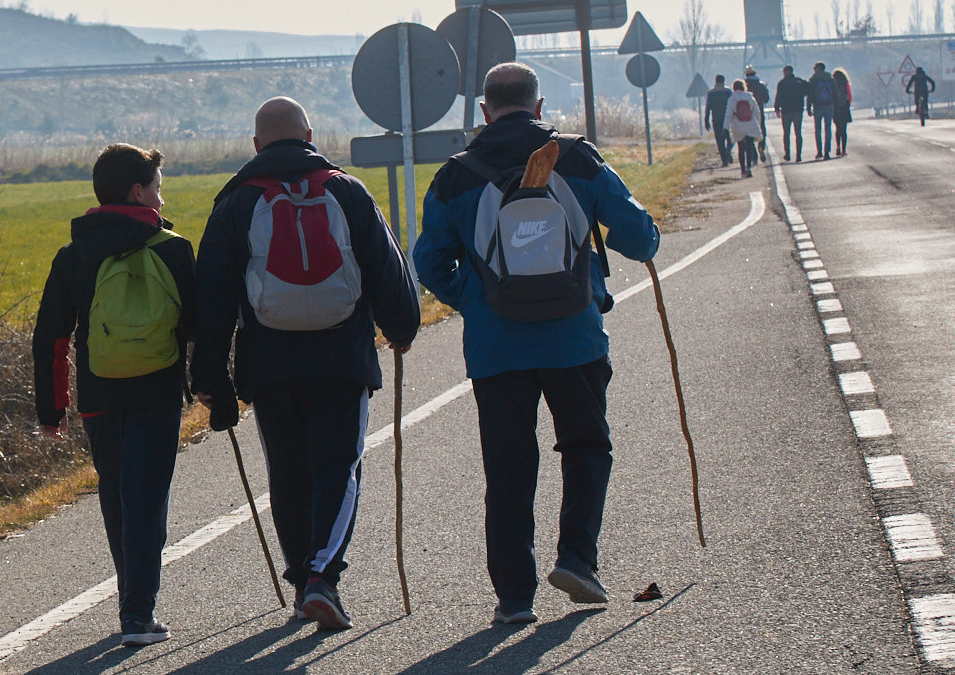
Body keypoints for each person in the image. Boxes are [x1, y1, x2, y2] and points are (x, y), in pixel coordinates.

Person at [413, 62, 660, 624]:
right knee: (587, 447)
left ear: (484, 111)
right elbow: (638, 239)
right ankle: (576, 558)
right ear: (540, 106)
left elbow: (429, 261)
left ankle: (514, 598)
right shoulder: (576, 158)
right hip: (575, 339)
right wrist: (644, 236)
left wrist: (476, 300)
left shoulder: (457, 175)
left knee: (507, 467)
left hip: (497, 349)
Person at [190, 96, 419, 631]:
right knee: (339, 467)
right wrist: (402, 329)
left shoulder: (237, 203)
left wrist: (211, 380)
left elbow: (213, 299)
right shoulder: (347, 190)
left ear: (256, 145)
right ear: (310, 135)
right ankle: (322, 578)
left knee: (288, 474)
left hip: (268, 365)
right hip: (342, 360)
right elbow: (388, 268)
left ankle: (303, 582)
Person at [32, 144, 195, 647]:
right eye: (157, 189)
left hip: (99, 395)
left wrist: (51, 407)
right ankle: (138, 615)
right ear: (137, 191)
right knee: (147, 499)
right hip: (158, 392)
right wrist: (213, 385)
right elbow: (198, 327)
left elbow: (51, 337)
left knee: (117, 495)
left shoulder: (73, 253)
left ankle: (133, 601)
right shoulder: (173, 248)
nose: (161, 201)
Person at [724, 80, 764, 178]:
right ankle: (749, 168)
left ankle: (742, 170)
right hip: (750, 124)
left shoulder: (732, 99)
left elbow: (728, 114)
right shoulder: (750, 97)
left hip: (738, 125)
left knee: (741, 148)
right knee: (749, 147)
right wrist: (758, 123)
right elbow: (757, 111)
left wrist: (725, 127)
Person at [774, 64, 809, 162]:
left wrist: (777, 108)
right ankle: (798, 155)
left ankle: (787, 154)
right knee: (798, 133)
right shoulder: (799, 81)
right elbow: (809, 89)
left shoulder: (782, 83)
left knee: (786, 134)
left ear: (786, 72)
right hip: (798, 110)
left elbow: (778, 96)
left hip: (786, 111)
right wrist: (801, 95)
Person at [807, 62, 836, 159]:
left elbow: (809, 94)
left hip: (818, 107)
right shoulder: (830, 78)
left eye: (815, 68)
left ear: (818, 69)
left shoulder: (814, 79)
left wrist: (808, 107)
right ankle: (827, 151)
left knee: (818, 130)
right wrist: (836, 106)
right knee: (828, 129)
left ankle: (819, 151)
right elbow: (835, 93)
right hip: (829, 106)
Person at [704, 74, 735, 167]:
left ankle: (724, 161)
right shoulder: (728, 91)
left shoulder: (710, 92)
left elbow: (708, 107)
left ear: (716, 81)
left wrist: (706, 119)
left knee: (719, 140)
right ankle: (728, 150)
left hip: (716, 119)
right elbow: (733, 103)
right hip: (727, 118)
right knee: (729, 137)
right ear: (723, 81)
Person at [743, 65, 771, 162]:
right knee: (762, 130)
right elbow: (766, 99)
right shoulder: (761, 85)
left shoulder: (743, 86)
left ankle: (753, 155)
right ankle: (761, 147)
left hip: (746, 114)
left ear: (746, 75)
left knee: (748, 134)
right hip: (759, 111)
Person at [832, 68, 853, 156]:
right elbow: (850, 95)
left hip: (836, 108)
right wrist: (848, 104)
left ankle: (837, 147)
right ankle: (844, 149)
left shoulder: (833, 83)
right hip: (844, 108)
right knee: (844, 130)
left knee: (838, 129)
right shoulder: (845, 83)